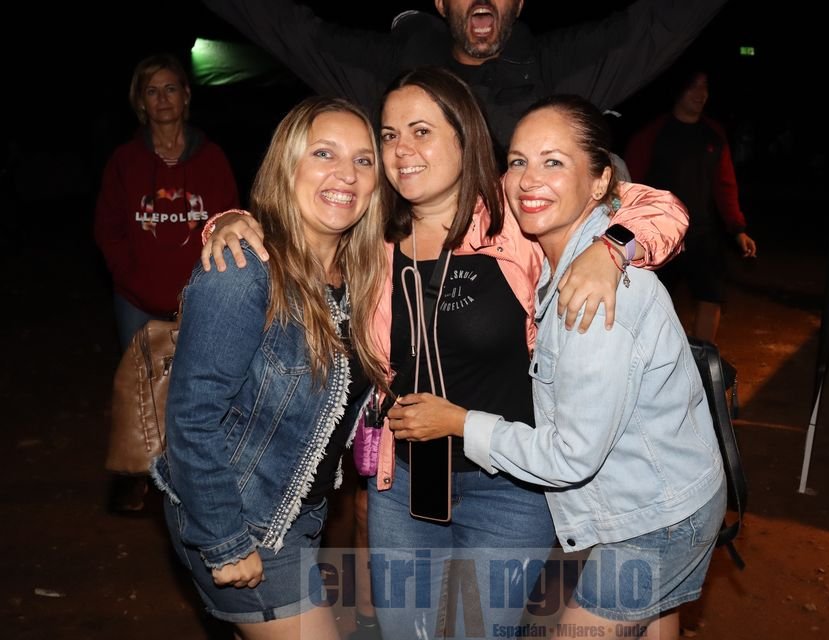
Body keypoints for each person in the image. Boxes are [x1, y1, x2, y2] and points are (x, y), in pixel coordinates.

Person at [202, 67, 689, 639]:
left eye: (421, 131)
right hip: (405, 486)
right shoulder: (369, 234)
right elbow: (288, 226)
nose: (401, 150)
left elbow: (659, 208)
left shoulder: (515, 215)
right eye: (389, 135)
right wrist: (227, 221)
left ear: (464, 137)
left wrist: (611, 249)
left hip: (510, 487)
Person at [388, 94, 726, 640]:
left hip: (653, 518)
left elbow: (571, 457)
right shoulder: (558, 251)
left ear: (599, 183)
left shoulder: (592, 298)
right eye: (518, 161)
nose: (529, 179)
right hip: (669, 495)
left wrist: (459, 422)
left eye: (553, 162)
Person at [151, 96, 389, 639]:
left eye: (363, 160)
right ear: (287, 165)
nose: (346, 174)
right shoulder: (244, 270)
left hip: (300, 515)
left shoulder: (359, 276)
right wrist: (224, 540)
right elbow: (190, 420)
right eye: (324, 153)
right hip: (238, 518)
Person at [200, 0, 726, 160]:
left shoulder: (555, 70)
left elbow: (653, 26)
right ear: (440, 3)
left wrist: (614, 246)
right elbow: (292, 30)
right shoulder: (393, 71)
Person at [94, 53, 239, 513]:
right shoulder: (125, 161)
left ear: (186, 96)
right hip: (136, 298)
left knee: (195, 390)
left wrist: (212, 284)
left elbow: (228, 222)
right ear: (140, 101)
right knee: (142, 389)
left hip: (198, 295)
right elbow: (108, 228)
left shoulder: (211, 158)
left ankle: (189, 479)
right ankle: (140, 474)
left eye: (170, 88)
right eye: (152, 91)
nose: (162, 99)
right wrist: (130, 277)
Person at [624, 67, 757, 343]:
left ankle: (703, 358)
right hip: (659, 234)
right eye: (693, 86)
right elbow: (629, 184)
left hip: (702, 232)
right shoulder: (652, 133)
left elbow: (725, 185)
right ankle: (655, 356)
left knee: (711, 297)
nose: (701, 93)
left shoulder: (714, 134)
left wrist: (738, 229)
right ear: (677, 91)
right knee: (655, 300)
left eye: (705, 87)